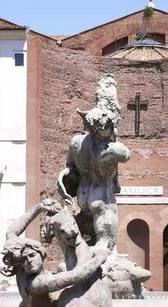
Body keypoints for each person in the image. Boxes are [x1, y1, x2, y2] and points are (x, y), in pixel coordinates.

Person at [1, 200, 108, 307]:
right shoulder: (35, 283)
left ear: (40, 251)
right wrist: (100, 257)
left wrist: (39, 207)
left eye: (31, 256)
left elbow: (12, 231)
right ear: (19, 262)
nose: (29, 262)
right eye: (24, 260)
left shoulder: (24, 259)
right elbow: (75, 276)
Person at [57, 74, 130, 251]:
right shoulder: (112, 149)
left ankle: (80, 256)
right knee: (104, 228)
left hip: (82, 194)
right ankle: (103, 255)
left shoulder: (76, 143)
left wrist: (64, 177)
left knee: (83, 231)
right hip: (100, 195)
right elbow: (126, 155)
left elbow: (68, 168)